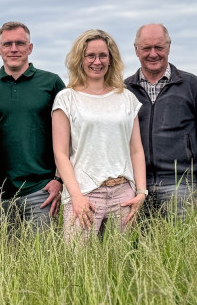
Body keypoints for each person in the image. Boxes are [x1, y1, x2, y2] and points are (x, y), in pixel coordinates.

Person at [52, 29, 147, 239]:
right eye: (90, 56)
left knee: (120, 265)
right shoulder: (67, 98)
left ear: (111, 59)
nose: (97, 61)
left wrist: (141, 192)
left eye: (103, 55)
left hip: (123, 193)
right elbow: (60, 154)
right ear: (80, 59)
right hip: (84, 193)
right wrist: (76, 197)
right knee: (79, 265)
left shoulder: (126, 98)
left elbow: (136, 150)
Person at [0, 22, 65, 229]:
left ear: (30, 47)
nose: (14, 49)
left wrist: (59, 180)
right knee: (4, 259)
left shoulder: (51, 83)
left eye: (20, 43)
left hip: (41, 190)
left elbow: (68, 135)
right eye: (7, 44)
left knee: (44, 259)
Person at [125, 24, 197, 219]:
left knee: (182, 247)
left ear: (168, 48)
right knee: (139, 246)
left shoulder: (191, 85)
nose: (153, 54)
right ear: (136, 50)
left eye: (159, 47)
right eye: (146, 48)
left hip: (180, 185)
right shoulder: (124, 89)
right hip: (137, 186)